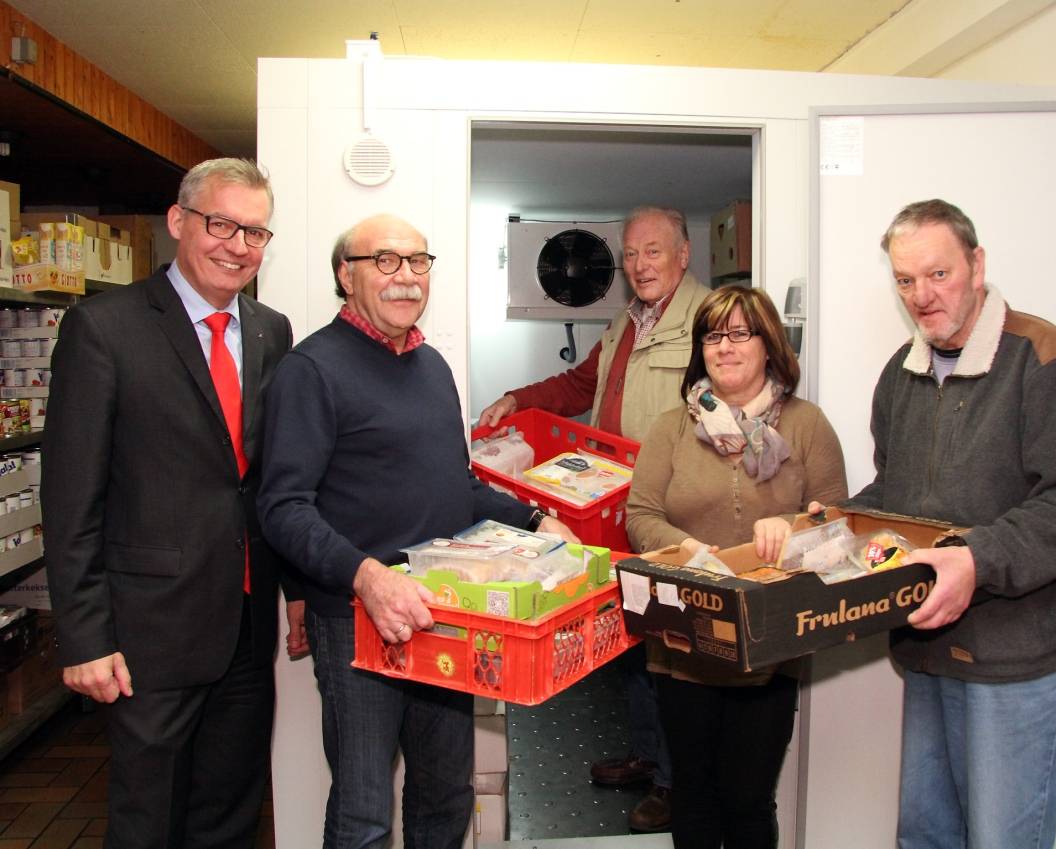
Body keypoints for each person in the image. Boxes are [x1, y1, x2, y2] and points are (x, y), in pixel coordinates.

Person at [257, 213, 576, 849]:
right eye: (385, 261)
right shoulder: (311, 369)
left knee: (444, 795)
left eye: (418, 261)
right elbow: (282, 507)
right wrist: (367, 576)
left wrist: (538, 519)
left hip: (444, 610)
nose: (406, 277)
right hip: (357, 617)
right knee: (364, 811)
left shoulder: (431, 366)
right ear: (346, 276)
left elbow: (456, 487)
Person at [42, 157, 300, 849]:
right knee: (148, 817)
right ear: (180, 222)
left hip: (247, 623)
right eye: (222, 224)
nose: (238, 246)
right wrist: (86, 635)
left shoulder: (273, 330)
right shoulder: (105, 328)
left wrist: (297, 588)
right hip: (148, 632)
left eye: (255, 232)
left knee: (230, 810)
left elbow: (270, 477)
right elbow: (70, 496)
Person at [849, 199, 1056, 849]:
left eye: (937, 274)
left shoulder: (1039, 355)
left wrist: (976, 558)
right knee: (925, 835)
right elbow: (898, 492)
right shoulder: (899, 373)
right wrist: (835, 526)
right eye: (905, 280)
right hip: (928, 649)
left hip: (1013, 660)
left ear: (977, 263)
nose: (921, 296)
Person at [478, 205, 710, 831]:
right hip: (616, 513)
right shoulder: (625, 322)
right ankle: (647, 754)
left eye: (654, 251)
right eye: (631, 254)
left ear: (684, 255)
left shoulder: (709, 322)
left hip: (672, 517)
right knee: (632, 642)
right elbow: (580, 386)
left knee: (669, 650)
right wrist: (518, 399)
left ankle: (675, 783)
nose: (640, 265)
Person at [626, 285, 847, 849]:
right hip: (683, 643)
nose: (724, 347)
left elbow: (837, 528)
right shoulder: (672, 428)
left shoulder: (807, 426)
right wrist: (698, 556)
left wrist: (793, 530)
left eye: (739, 333)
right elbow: (641, 515)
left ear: (768, 344)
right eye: (712, 335)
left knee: (748, 801)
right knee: (693, 796)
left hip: (768, 646)